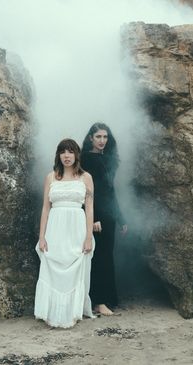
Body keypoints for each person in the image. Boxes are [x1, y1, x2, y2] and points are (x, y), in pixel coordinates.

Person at [34, 138, 95, 328]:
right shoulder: (50, 177)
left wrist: (88, 236)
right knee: (52, 264)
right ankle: (51, 312)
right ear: (58, 155)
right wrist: (42, 236)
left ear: (76, 155)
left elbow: (90, 209)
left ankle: (73, 312)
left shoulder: (86, 177)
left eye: (70, 152)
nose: (66, 156)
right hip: (55, 227)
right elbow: (45, 208)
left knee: (75, 266)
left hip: (76, 226)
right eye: (63, 152)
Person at [81, 123, 127, 316]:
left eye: (105, 137)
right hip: (95, 215)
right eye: (98, 137)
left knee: (107, 257)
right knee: (98, 258)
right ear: (90, 138)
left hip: (108, 216)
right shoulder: (85, 159)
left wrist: (120, 218)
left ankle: (105, 300)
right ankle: (98, 302)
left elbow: (110, 190)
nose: (102, 141)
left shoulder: (106, 159)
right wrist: (93, 218)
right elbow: (88, 192)